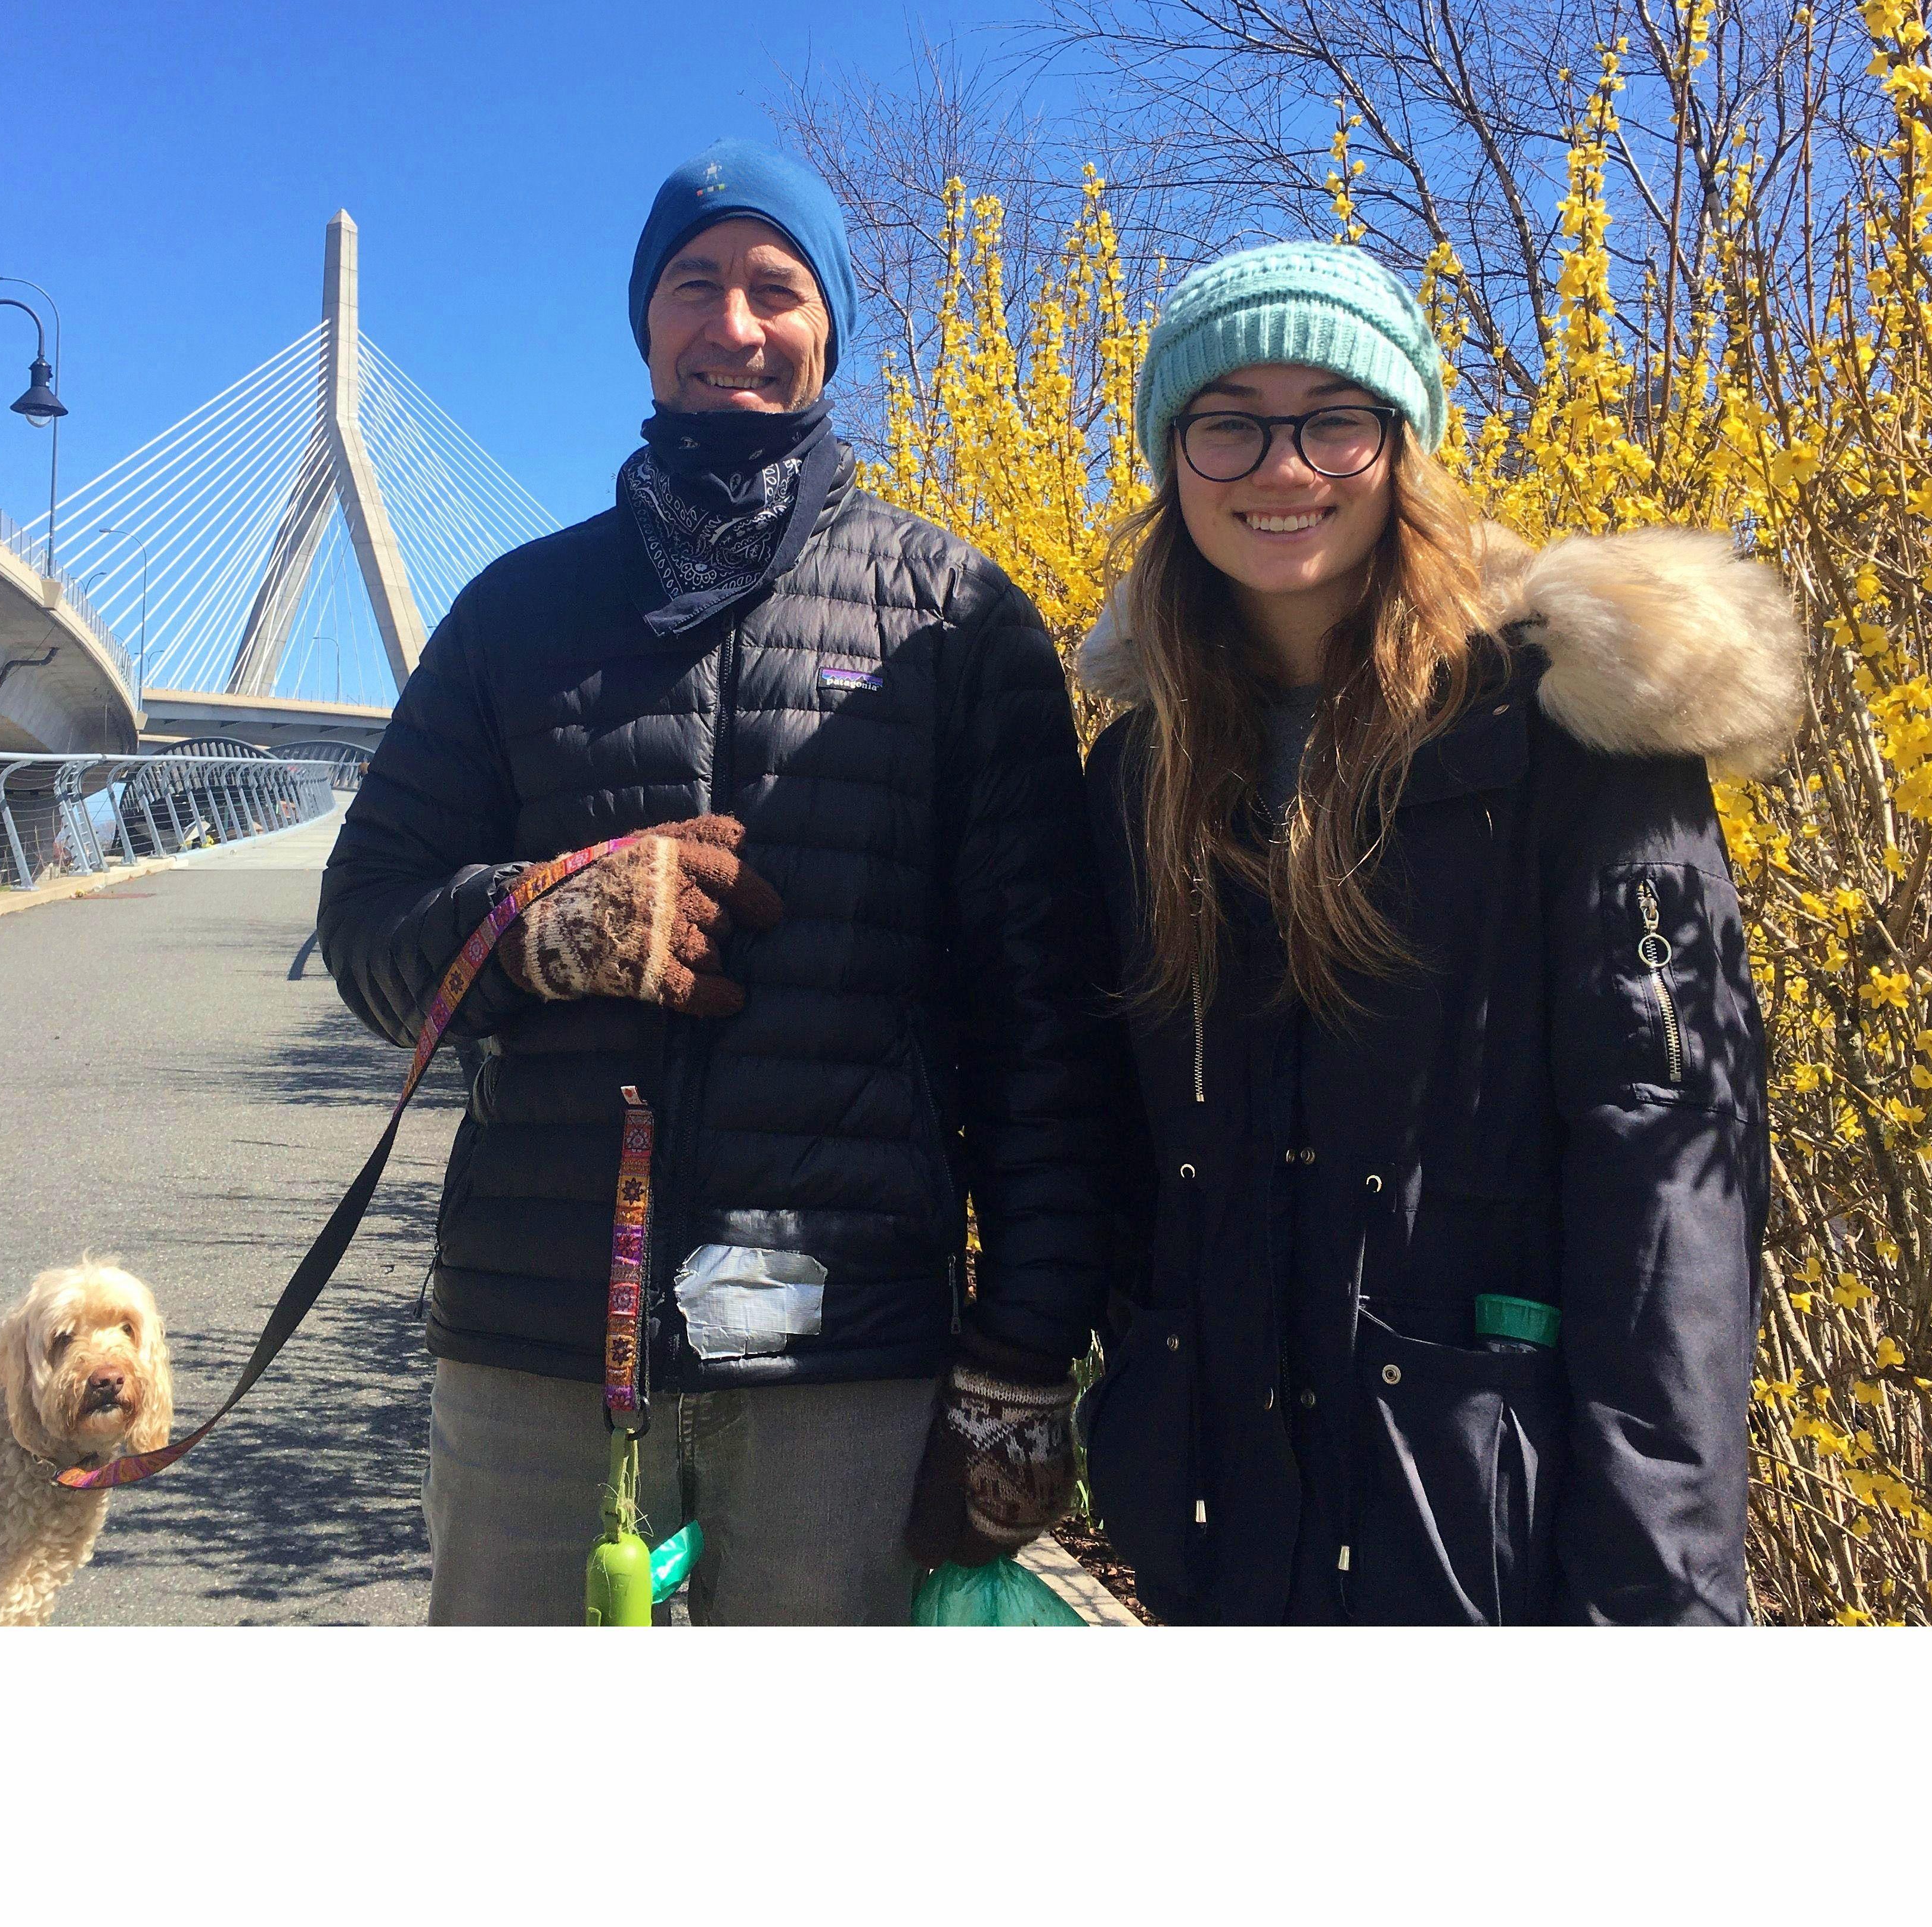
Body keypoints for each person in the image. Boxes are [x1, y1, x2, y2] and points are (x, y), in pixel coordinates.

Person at [318, 140, 1115, 1624]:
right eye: (695, 285)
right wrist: (541, 925)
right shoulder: (514, 618)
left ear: (830, 333)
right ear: (645, 323)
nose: (734, 324)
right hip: (536, 1343)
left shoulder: (959, 621)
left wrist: (1022, 1354)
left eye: (777, 287)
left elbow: (1041, 1027)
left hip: (847, 1363)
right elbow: (366, 931)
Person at [1075, 241, 1801, 1625]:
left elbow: (1665, 1163)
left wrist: (1664, 1583)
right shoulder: (1141, 772)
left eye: (1334, 419)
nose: (1282, 469)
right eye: (1226, 422)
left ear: (1403, 448)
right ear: (1173, 464)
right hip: (1221, 1520)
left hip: (1486, 1518)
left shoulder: (1567, 731)